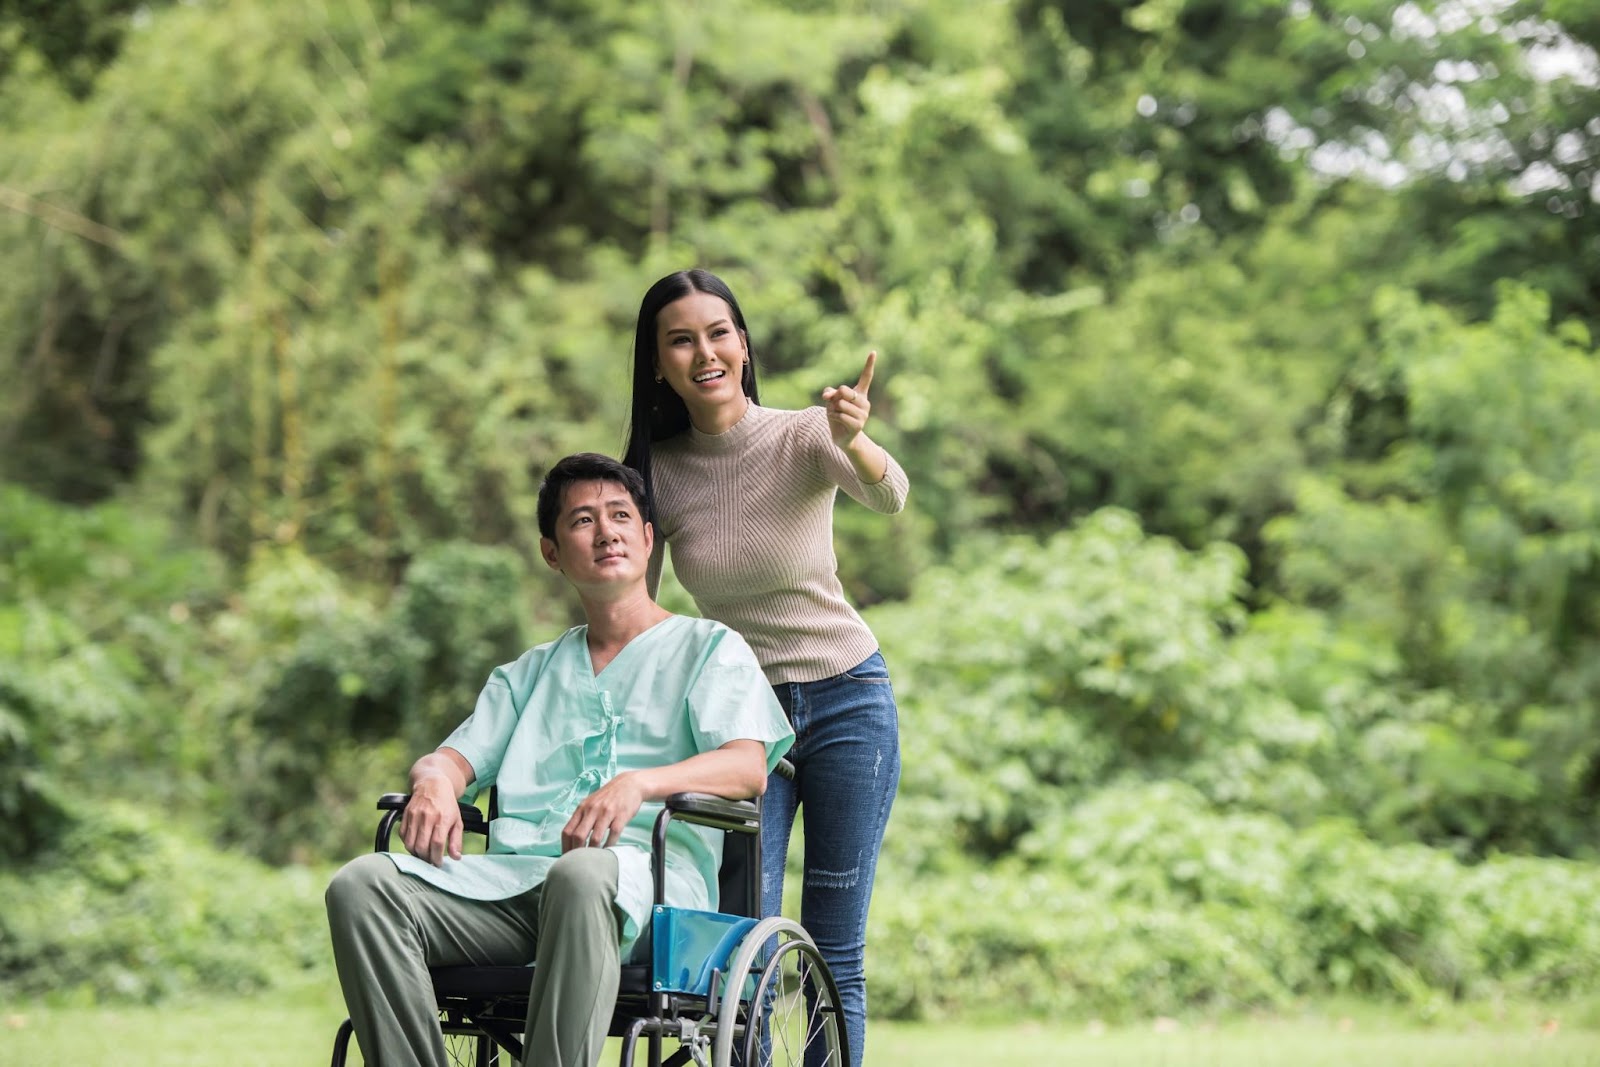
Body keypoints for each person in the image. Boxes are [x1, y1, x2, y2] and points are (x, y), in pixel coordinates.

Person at [325, 452, 794, 1067]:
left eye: (621, 515)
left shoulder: (708, 648)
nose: (606, 532)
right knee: (361, 885)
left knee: (582, 873)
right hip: (518, 889)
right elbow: (449, 761)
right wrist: (434, 783)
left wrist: (639, 784)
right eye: (582, 521)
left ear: (648, 538)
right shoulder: (529, 674)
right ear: (552, 552)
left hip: (646, 894)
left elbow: (746, 768)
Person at [622, 269, 909, 1066]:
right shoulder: (660, 474)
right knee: (740, 947)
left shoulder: (804, 433)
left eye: (718, 332)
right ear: (657, 363)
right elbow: (633, 614)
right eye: (681, 339)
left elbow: (892, 497)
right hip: (744, 725)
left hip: (849, 698)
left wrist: (854, 436)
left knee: (833, 949)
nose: (704, 351)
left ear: (744, 344)